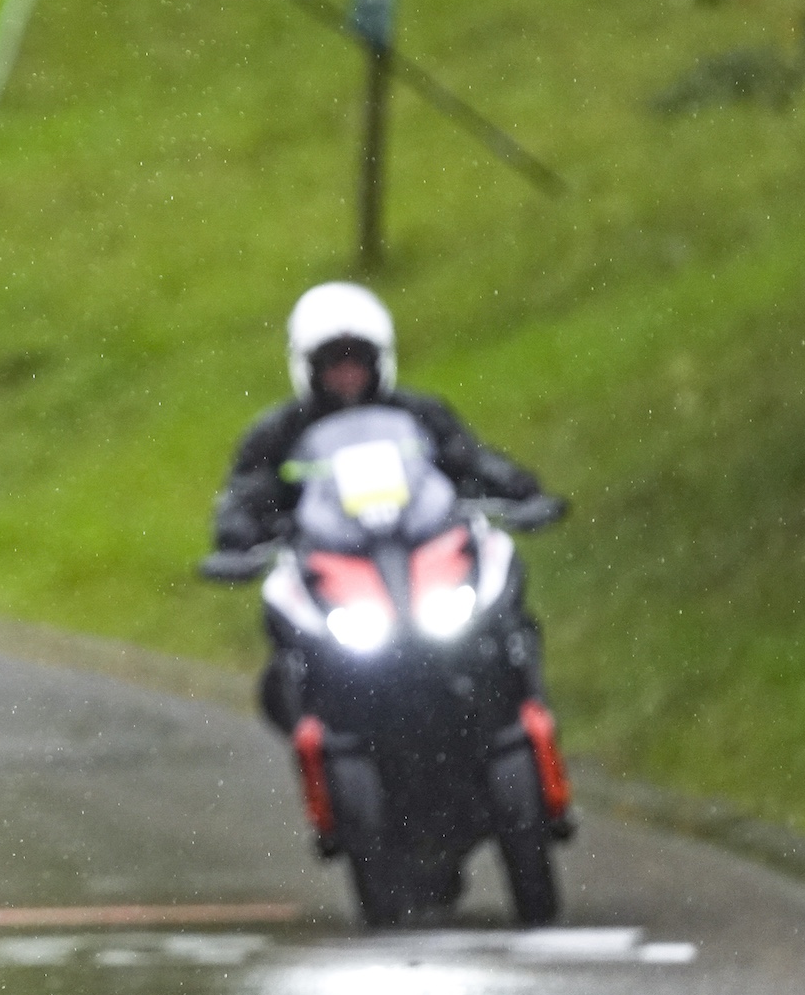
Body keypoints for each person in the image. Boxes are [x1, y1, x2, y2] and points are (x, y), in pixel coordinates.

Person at [213, 282, 553, 731]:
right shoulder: (278, 434)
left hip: (425, 556)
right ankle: (328, 734)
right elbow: (246, 492)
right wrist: (238, 538)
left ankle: (521, 716)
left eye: (358, 359)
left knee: (505, 613)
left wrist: (518, 491)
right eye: (334, 361)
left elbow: (469, 458)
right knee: (288, 649)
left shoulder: (419, 414)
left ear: (380, 360)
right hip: (339, 573)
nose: (347, 373)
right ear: (309, 367)